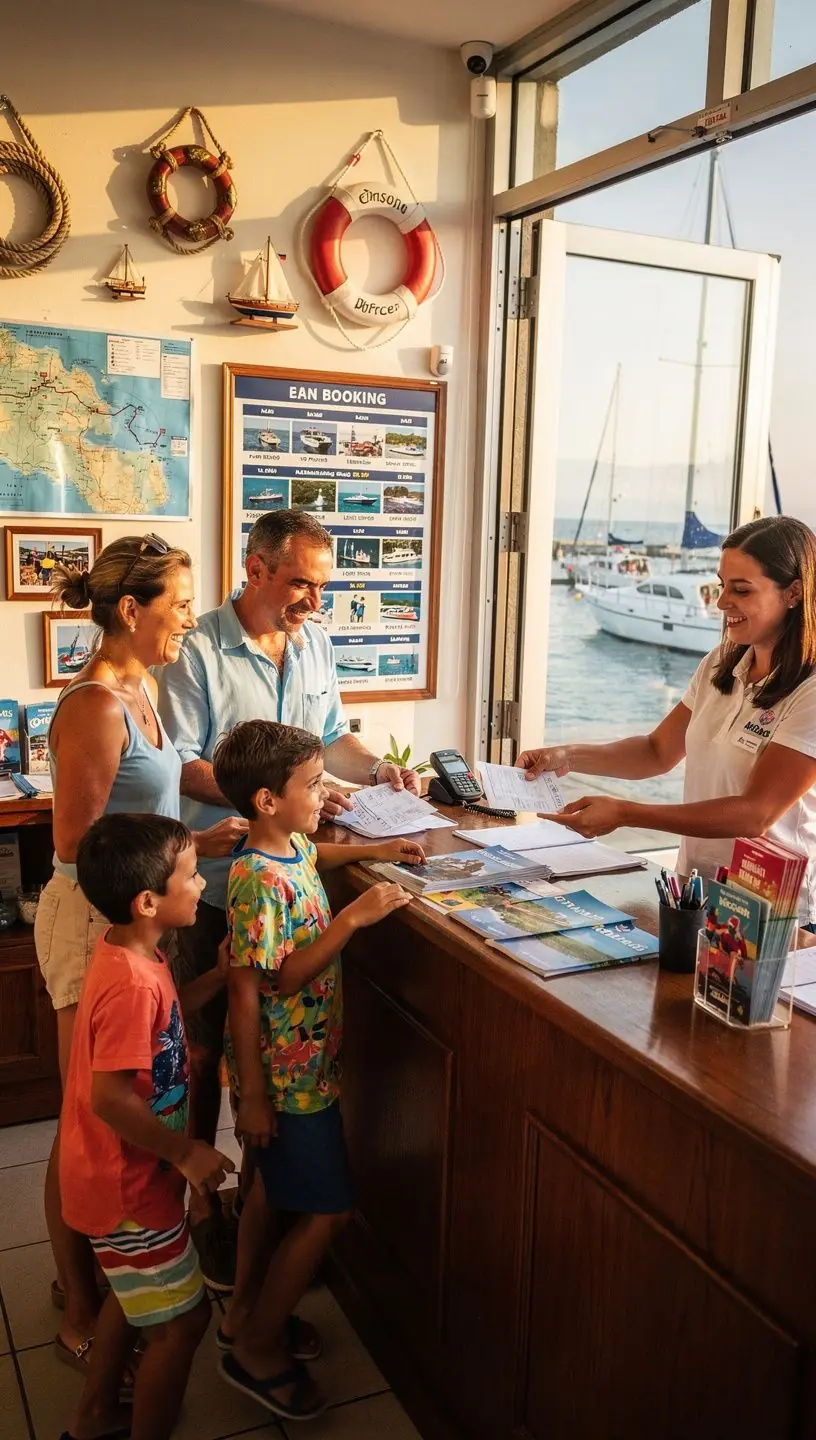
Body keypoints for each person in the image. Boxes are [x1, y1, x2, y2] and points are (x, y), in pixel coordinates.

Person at [158, 509, 420, 1281]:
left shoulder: (315, 642)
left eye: (322, 585)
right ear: (256, 568)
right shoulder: (198, 648)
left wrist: (377, 773)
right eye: (301, 582)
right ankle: (203, 1202)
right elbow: (180, 761)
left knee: (262, 1045)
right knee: (206, 1054)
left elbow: (333, 735)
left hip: (293, 871)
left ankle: (261, 1196)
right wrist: (263, 794)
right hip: (216, 880)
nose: (313, 599)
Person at [35, 536, 244, 1372]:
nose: (189, 621)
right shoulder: (95, 705)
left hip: (136, 921)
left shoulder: (146, 685)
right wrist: (179, 855)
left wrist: (205, 829)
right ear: (132, 610)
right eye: (180, 606)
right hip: (91, 921)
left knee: (116, 1106)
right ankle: (78, 1300)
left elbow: (150, 808)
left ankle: (107, 1275)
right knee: (85, 1116)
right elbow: (81, 843)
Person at [210, 720, 423, 1421]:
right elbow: (266, 984)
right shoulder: (252, 880)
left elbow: (314, 853)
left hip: (299, 1067)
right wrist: (353, 921)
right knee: (326, 1212)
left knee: (267, 1190)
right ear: (268, 799)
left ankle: (244, 1311)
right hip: (284, 1081)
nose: (324, 794)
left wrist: (386, 847)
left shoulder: (287, 844)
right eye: (312, 785)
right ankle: (257, 1347)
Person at [519, 516, 816, 924]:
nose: (721, 602)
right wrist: (566, 755)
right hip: (697, 892)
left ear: (794, 593)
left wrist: (625, 813)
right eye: (722, 584)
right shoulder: (720, 666)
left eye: (741, 590)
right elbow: (656, 752)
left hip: (775, 914)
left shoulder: (810, 692)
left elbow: (755, 814)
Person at [60, 813, 234, 1440]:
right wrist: (185, 1151)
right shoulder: (133, 982)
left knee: (130, 1301)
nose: (200, 887)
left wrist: (214, 977)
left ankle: (95, 1415)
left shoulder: (131, 951)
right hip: (127, 1187)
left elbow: (160, 1027)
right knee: (181, 1325)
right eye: (191, 876)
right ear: (148, 900)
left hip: (124, 1177)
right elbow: (109, 1097)